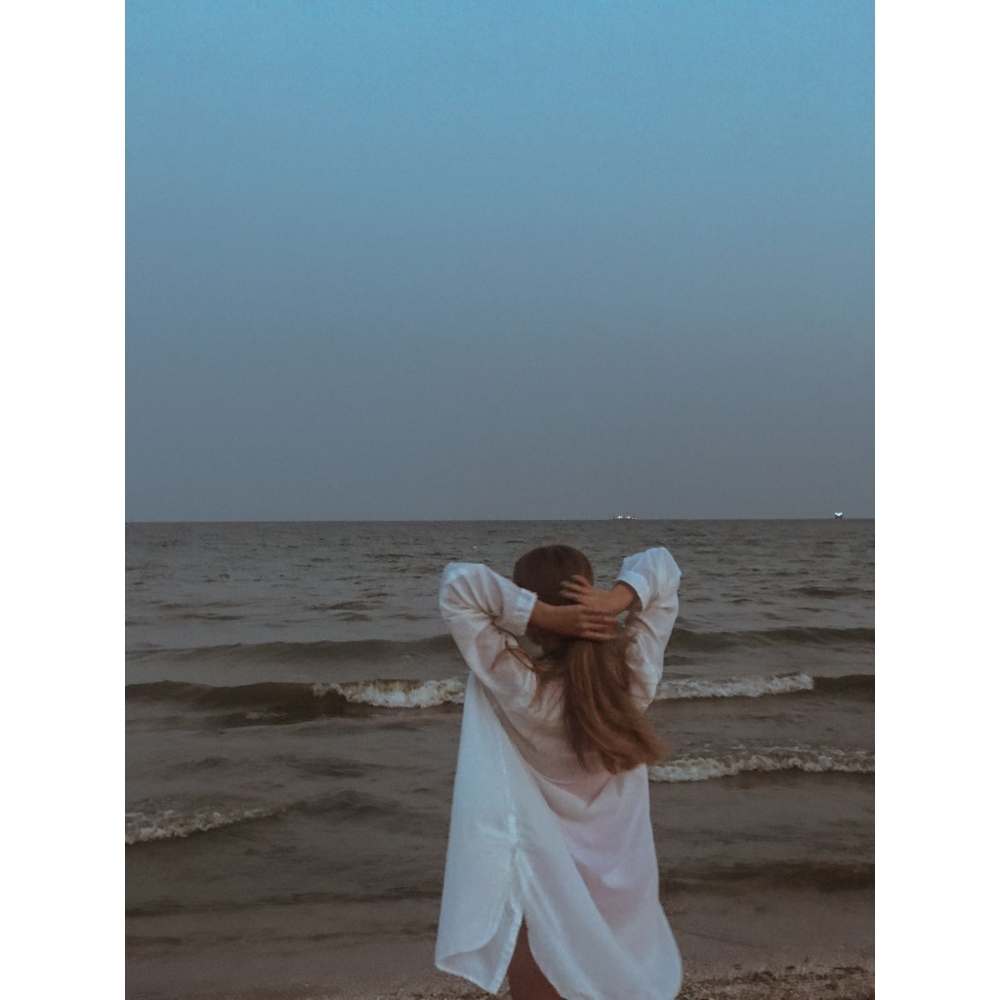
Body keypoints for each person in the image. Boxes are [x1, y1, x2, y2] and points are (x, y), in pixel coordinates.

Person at [434, 544, 684, 1000]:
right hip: (622, 865)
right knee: (614, 969)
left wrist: (538, 615)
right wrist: (619, 598)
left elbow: (457, 587)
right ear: (589, 593)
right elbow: (663, 568)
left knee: (538, 963)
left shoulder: (520, 686)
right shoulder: (630, 678)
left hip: (546, 861)